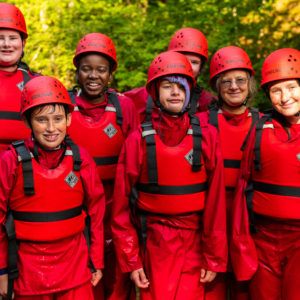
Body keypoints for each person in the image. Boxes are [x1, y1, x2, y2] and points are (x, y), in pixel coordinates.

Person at [112, 51, 227, 300]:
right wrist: (132, 259)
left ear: (189, 92)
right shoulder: (137, 141)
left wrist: (214, 257)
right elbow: (121, 208)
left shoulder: (207, 137)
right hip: (153, 242)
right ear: (155, 92)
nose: (175, 92)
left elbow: (216, 204)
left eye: (181, 86)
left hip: (195, 242)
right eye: (167, 86)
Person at [0, 76, 105, 299]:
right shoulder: (10, 161)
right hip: (28, 273)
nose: (50, 128)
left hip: (75, 270)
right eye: (41, 120)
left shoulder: (81, 160)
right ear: (28, 122)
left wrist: (96, 259)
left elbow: (96, 212)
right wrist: (1, 270)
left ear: (68, 119)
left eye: (58, 119)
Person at [67, 32, 138, 300]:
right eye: (86, 69)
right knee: (86, 278)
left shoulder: (124, 106)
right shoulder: (65, 107)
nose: (93, 76)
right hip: (80, 208)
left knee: (118, 281)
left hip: (117, 207)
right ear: (77, 71)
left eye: (101, 70)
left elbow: (135, 157)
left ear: (110, 74)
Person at [230, 47, 300, 300]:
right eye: (276, 90)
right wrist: (242, 245)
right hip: (263, 240)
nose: (285, 97)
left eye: (292, 87)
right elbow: (242, 189)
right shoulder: (259, 131)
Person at [201, 46, 259, 300]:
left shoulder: (263, 123)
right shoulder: (200, 123)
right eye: (226, 81)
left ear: (250, 83)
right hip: (210, 221)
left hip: (248, 222)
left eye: (240, 80)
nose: (234, 86)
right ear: (216, 86)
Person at [124, 27, 216, 123]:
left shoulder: (208, 103)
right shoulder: (141, 97)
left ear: (200, 68)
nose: (187, 65)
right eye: (182, 58)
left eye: (194, 62)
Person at [0, 2, 37, 151]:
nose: (6, 44)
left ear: (23, 43)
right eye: (0, 38)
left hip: (23, 167)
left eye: (13, 38)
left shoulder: (36, 84)